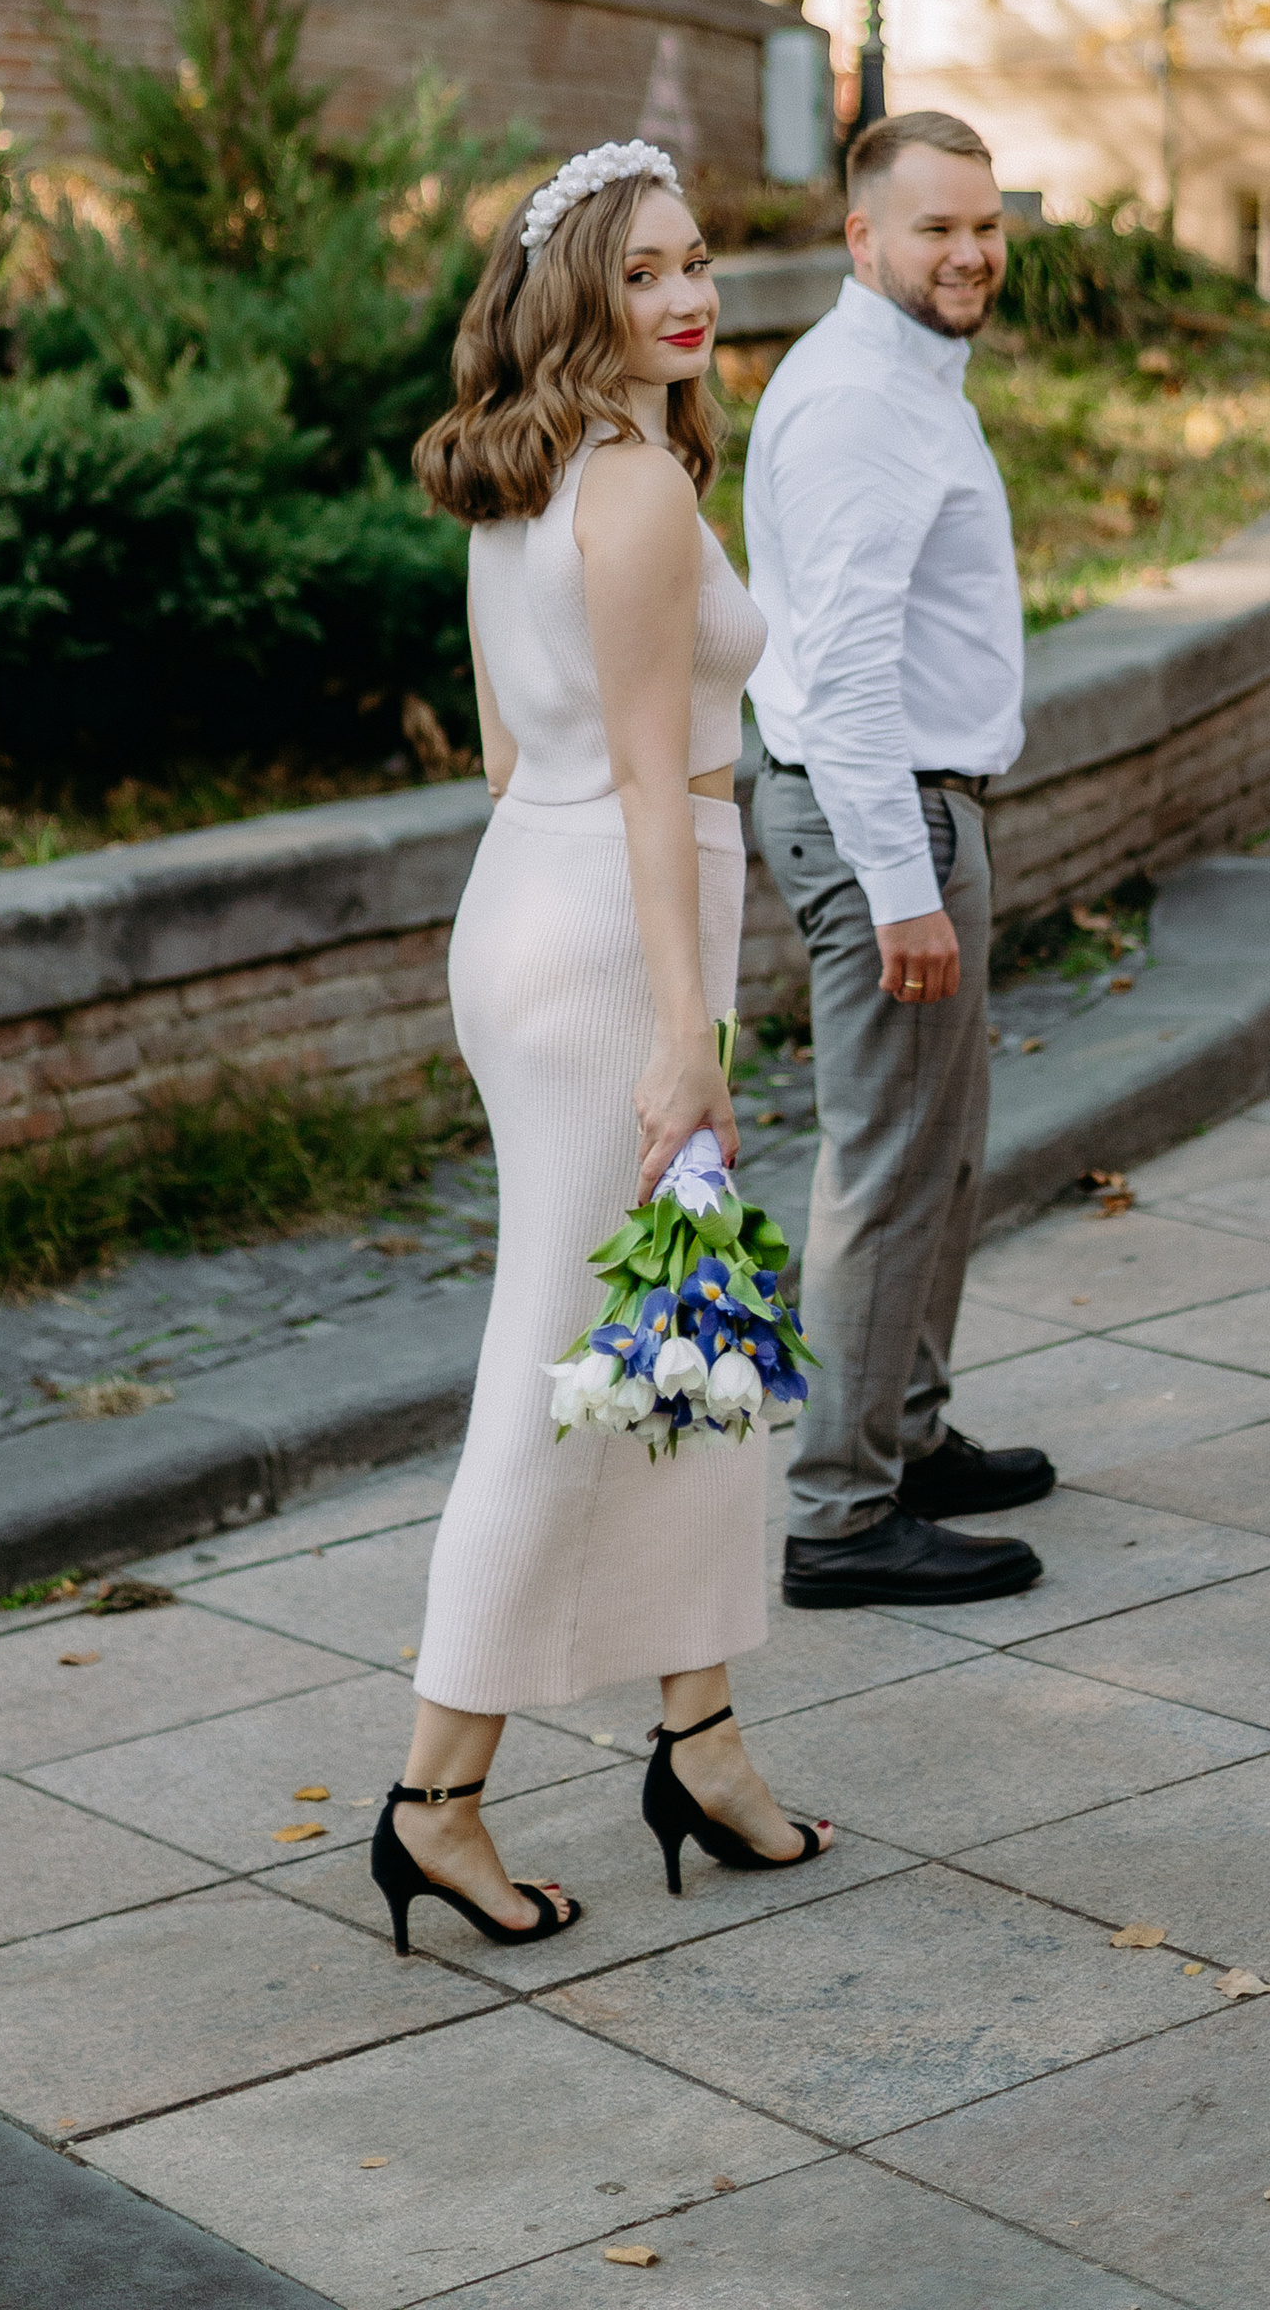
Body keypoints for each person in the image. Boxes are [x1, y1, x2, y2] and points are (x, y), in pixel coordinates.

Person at [396, 138, 831, 1957]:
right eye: (647, 271)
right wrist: (685, 1038)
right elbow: (659, 784)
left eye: (699, 260)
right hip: (614, 948)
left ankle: (702, 1739)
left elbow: (510, 758)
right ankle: (438, 1800)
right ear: (582, 295)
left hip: (531, 899)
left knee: (687, 1355)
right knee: (566, 1369)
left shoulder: (528, 474)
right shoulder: (634, 487)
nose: (689, 293)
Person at [744, 109, 1055, 1612]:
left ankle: (905, 1441)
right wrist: (901, 883)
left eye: (985, 223)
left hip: (917, 805)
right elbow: (850, 671)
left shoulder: (910, 376)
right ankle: (842, 1514)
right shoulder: (861, 399)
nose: (971, 250)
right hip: (885, 811)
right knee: (885, 1160)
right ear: (864, 238)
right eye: (936, 226)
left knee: (944, 1143)